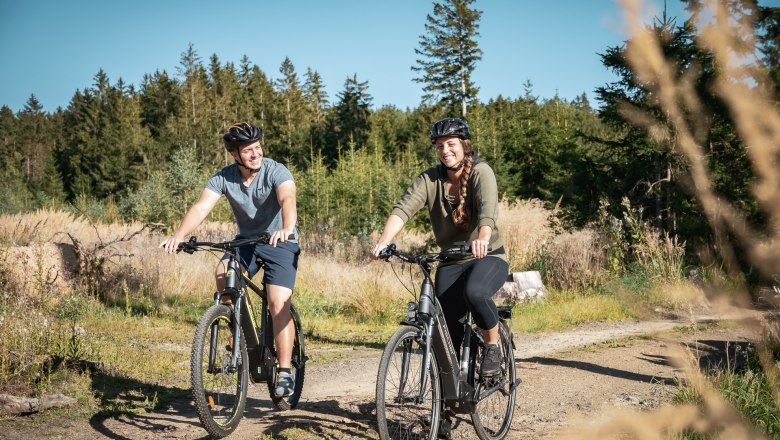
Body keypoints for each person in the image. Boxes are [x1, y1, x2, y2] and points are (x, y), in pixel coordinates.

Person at [161, 122, 300, 398]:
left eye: (257, 148)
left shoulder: (276, 171)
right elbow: (201, 207)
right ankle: (235, 329)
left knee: (277, 302)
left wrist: (287, 228)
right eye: (248, 150)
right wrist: (179, 235)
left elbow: (288, 199)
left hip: (280, 241)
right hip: (247, 241)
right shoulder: (224, 178)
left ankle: (285, 371)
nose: (255, 154)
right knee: (223, 271)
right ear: (235, 154)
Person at [370, 116, 509, 377]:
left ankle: (492, 347)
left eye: (451, 144)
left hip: (487, 256)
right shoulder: (430, 178)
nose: (445, 150)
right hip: (450, 260)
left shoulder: (481, 172)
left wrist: (483, 236)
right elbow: (403, 209)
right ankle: (454, 394)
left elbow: (487, 211)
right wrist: (383, 241)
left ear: (464, 145)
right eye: (440, 146)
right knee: (446, 328)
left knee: (475, 293)